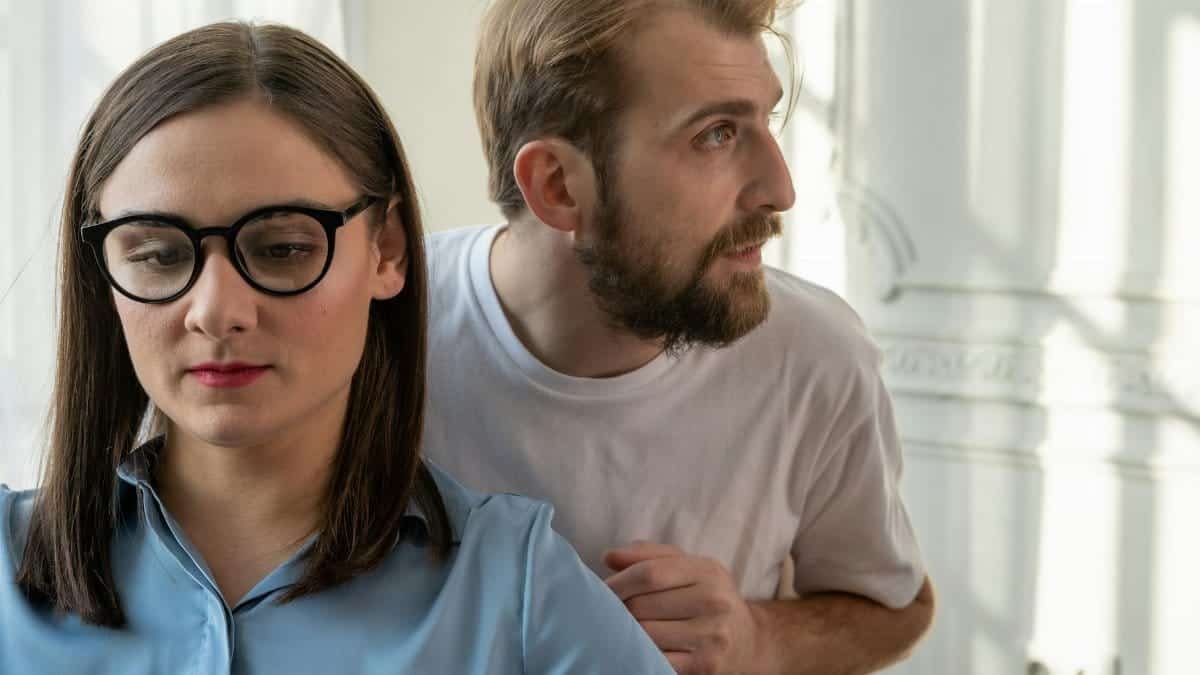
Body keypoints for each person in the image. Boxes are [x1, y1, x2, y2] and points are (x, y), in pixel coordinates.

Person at [0, 21, 674, 675]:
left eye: (283, 248)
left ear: (387, 249)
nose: (216, 312)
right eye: (156, 254)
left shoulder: (516, 587)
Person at [422, 1, 936, 673]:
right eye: (716, 134)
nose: (779, 188)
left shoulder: (816, 356)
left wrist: (758, 636)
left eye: (765, 119)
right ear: (557, 185)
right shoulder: (381, 338)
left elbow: (896, 606)